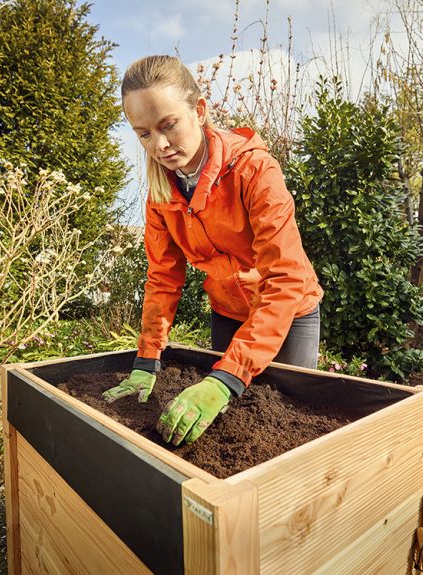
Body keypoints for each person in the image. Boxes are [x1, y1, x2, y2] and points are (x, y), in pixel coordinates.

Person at [102, 55, 323, 446]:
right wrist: (147, 358)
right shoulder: (161, 194)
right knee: (228, 424)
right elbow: (163, 278)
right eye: (144, 134)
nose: (159, 145)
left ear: (199, 111)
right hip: (227, 311)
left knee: (283, 425)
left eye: (168, 125)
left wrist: (227, 376)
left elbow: (284, 277)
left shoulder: (254, 171)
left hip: (289, 313)